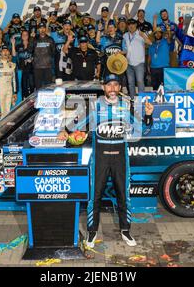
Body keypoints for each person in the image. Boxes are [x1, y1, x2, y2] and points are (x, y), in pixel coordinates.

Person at [58, 73, 154, 248]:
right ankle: (92, 232)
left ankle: (126, 230)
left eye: (116, 85)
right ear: (103, 87)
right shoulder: (94, 106)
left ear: (119, 88)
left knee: (124, 196)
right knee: (95, 196)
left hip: (120, 159)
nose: (112, 89)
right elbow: (78, 124)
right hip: (100, 159)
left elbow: (143, 130)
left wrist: (148, 115)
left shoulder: (127, 106)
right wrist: (64, 130)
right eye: (109, 85)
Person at [122, 18, 152, 99]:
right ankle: (133, 100)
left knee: (140, 82)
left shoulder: (141, 34)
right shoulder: (125, 35)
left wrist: (143, 36)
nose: (131, 26)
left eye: (133, 24)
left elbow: (150, 43)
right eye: (129, 24)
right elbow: (125, 49)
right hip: (128, 63)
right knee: (130, 83)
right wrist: (119, 52)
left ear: (136, 25)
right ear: (128, 26)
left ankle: (142, 100)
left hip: (139, 63)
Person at [31, 22, 55, 89]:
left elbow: (54, 52)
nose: (42, 30)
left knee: (49, 87)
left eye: (43, 28)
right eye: (40, 28)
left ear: (45, 29)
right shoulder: (34, 39)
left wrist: (49, 60)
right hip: (37, 67)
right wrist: (31, 38)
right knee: (38, 87)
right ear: (38, 29)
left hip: (48, 67)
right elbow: (30, 50)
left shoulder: (50, 39)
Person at [12, 29, 34, 98]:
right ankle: (25, 100)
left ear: (28, 36)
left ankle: (32, 100)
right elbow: (14, 54)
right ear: (21, 36)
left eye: (26, 34)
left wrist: (31, 59)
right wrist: (13, 44)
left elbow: (36, 54)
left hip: (31, 68)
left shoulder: (32, 44)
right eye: (23, 35)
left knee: (31, 84)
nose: (25, 36)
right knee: (24, 85)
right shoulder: (18, 46)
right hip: (22, 68)